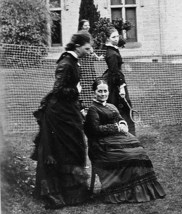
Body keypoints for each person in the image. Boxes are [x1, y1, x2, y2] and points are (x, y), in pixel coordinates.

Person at [31, 31, 93, 209]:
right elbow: (58, 90)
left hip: (68, 111)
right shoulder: (66, 63)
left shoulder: (73, 61)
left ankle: (74, 193)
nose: (90, 51)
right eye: (87, 48)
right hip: (59, 115)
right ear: (77, 46)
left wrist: (79, 106)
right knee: (67, 150)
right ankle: (62, 194)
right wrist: (77, 90)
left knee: (75, 149)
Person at [84, 79, 166, 203]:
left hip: (115, 141)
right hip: (101, 147)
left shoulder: (111, 106)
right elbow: (95, 130)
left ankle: (140, 189)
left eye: (105, 91)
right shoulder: (93, 109)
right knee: (129, 156)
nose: (103, 94)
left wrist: (123, 123)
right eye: (100, 91)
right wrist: (116, 127)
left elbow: (120, 118)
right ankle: (126, 191)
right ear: (93, 93)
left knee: (139, 153)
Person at [103, 27, 135, 135]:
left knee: (121, 109)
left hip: (117, 81)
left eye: (117, 36)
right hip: (115, 85)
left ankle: (125, 133)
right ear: (108, 38)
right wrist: (121, 87)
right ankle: (126, 134)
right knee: (121, 108)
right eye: (113, 37)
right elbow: (115, 72)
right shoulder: (111, 53)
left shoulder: (113, 49)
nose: (116, 39)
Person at [78, 19, 103, 106]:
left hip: (89, 63)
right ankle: (84, 103)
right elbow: (87, 50)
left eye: (88, 25)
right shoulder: (80, 36)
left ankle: (90, 102)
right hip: (83, 63)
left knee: (91, 81)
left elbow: (91, 50)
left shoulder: (88, 36)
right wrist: (93, 55)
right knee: (85, 81)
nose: (87, 27)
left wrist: (97, 57)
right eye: (85, 25)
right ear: (81, 26)